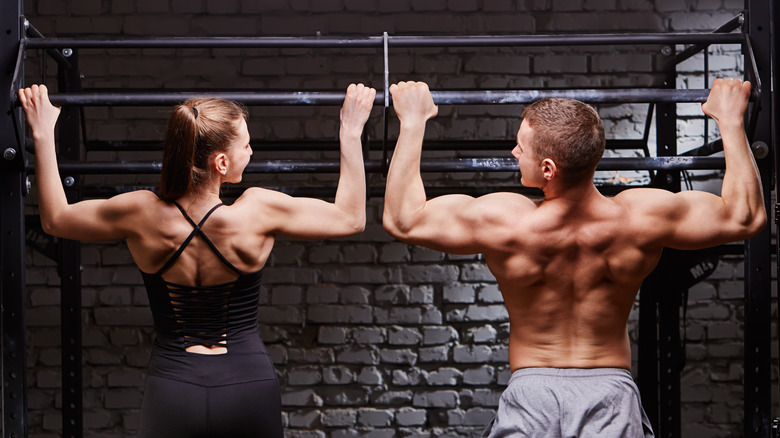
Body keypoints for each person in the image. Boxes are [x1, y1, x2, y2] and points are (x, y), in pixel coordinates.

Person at [382, 78, 765, 437]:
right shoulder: (639, 218)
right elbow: (744, 216)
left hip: (533, 396)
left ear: (547, 169)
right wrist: (730, 121)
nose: (514, 152)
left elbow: (402, 220)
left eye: (520, 146)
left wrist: (413, 122)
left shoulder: (506, 221)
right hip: (610, 396)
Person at [19, 83, 376, 438]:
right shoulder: (258, 211)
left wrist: (42, 131)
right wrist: (350, 129)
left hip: (174, 388)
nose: (252, 150)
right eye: (246, 145)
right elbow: (350, 218)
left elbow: (55, 219)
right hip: (247, 384)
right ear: (221, 162)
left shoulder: (141, 213)